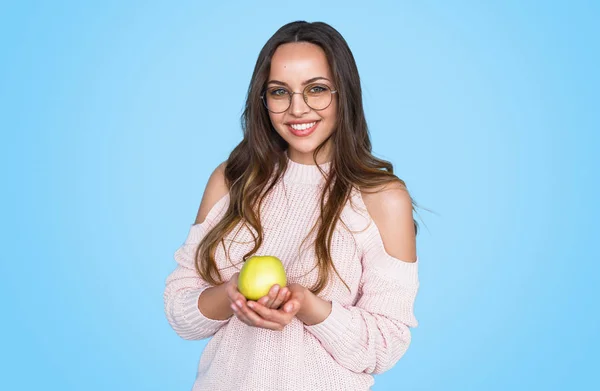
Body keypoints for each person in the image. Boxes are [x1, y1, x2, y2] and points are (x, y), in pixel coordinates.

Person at [164, 20, 420, 391]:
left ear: (344, 94)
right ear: (262, 100)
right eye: (279, 92)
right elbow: (180, 316)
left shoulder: (382, 198)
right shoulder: (232, 180)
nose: (297, 109)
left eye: (316, 89)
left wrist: (309, 307)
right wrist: (231, 295)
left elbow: (386, 345)